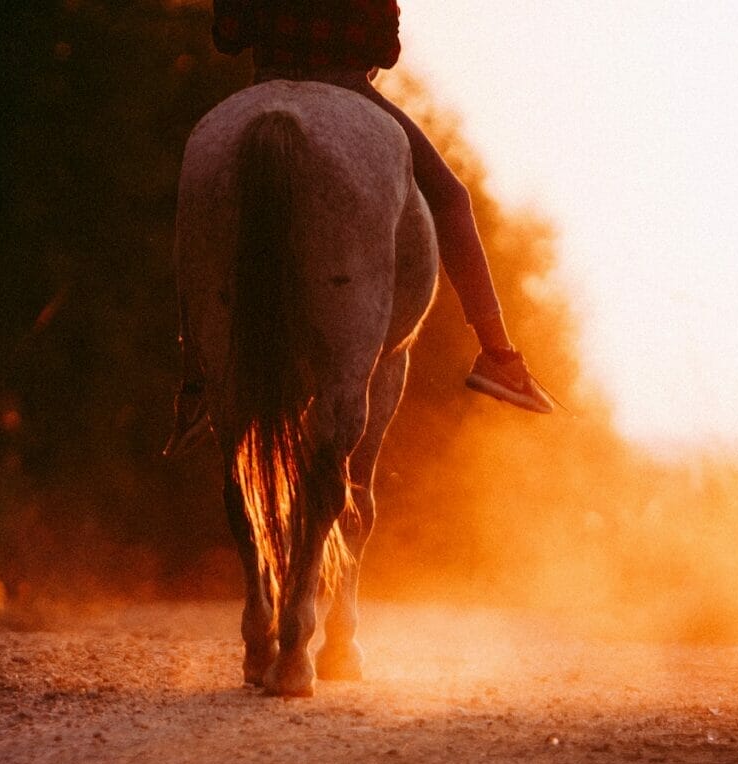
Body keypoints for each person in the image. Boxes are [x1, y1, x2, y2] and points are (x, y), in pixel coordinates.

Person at [165, 0, 552, 456]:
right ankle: (498, 356)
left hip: (265, 80)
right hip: (348, 87)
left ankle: (195, 380)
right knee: (451, 199)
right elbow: (385, 50)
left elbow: (227, 33)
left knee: (197, 209)